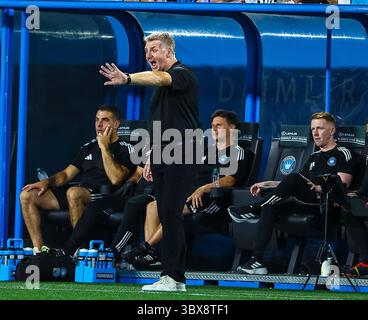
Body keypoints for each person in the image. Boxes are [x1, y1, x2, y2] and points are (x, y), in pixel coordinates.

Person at [100, 32, 200, 292]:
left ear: (169, 51)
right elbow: (162, 125)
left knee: (170, 214)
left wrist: (127, 78)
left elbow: (159, 78)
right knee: (167, 214)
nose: (149, 56)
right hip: (164, 155)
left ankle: (173, 276)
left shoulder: (182, 74)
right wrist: (151, 157)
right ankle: (175, 278)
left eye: (154, 50)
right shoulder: (162, 89)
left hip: (183, 153)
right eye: (147, 52)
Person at [228, 112, 368, 276]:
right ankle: (257, 260)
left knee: (293, 178)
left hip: (329, 205)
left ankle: (253, 208)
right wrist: (267, 183)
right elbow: (296, 183)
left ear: (332, 130)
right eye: (313, 129)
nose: (315, 133)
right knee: (271, 206)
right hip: (310, 203)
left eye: (320, 128)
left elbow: (340, 186)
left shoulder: (343, 153)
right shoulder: (314, 156)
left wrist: (317, 187)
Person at [116, 109, 254, 269]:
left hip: (215, 199)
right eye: (212, 126)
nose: (214, 129)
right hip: (191, 194)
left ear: (232, 128)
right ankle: (150, 256)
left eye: (219, 126)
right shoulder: (205, 151)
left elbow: (229, 180)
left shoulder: (239, 152)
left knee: (173, 209)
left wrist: (203, 188)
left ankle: (144, 248)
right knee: (152, 206)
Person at [20, 105, 136, 253]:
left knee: (74, 193)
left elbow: (116, 179)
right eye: (96, 120)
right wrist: (47, 182)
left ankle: (79, 252)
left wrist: (104, 147)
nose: (99, 125)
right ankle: (39, 250)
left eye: (105, 120)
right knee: (27, 195)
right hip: (79, 191)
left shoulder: (126, 148)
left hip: (105, 196)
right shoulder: (88, 147)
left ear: (116, 124)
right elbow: (67, 175)